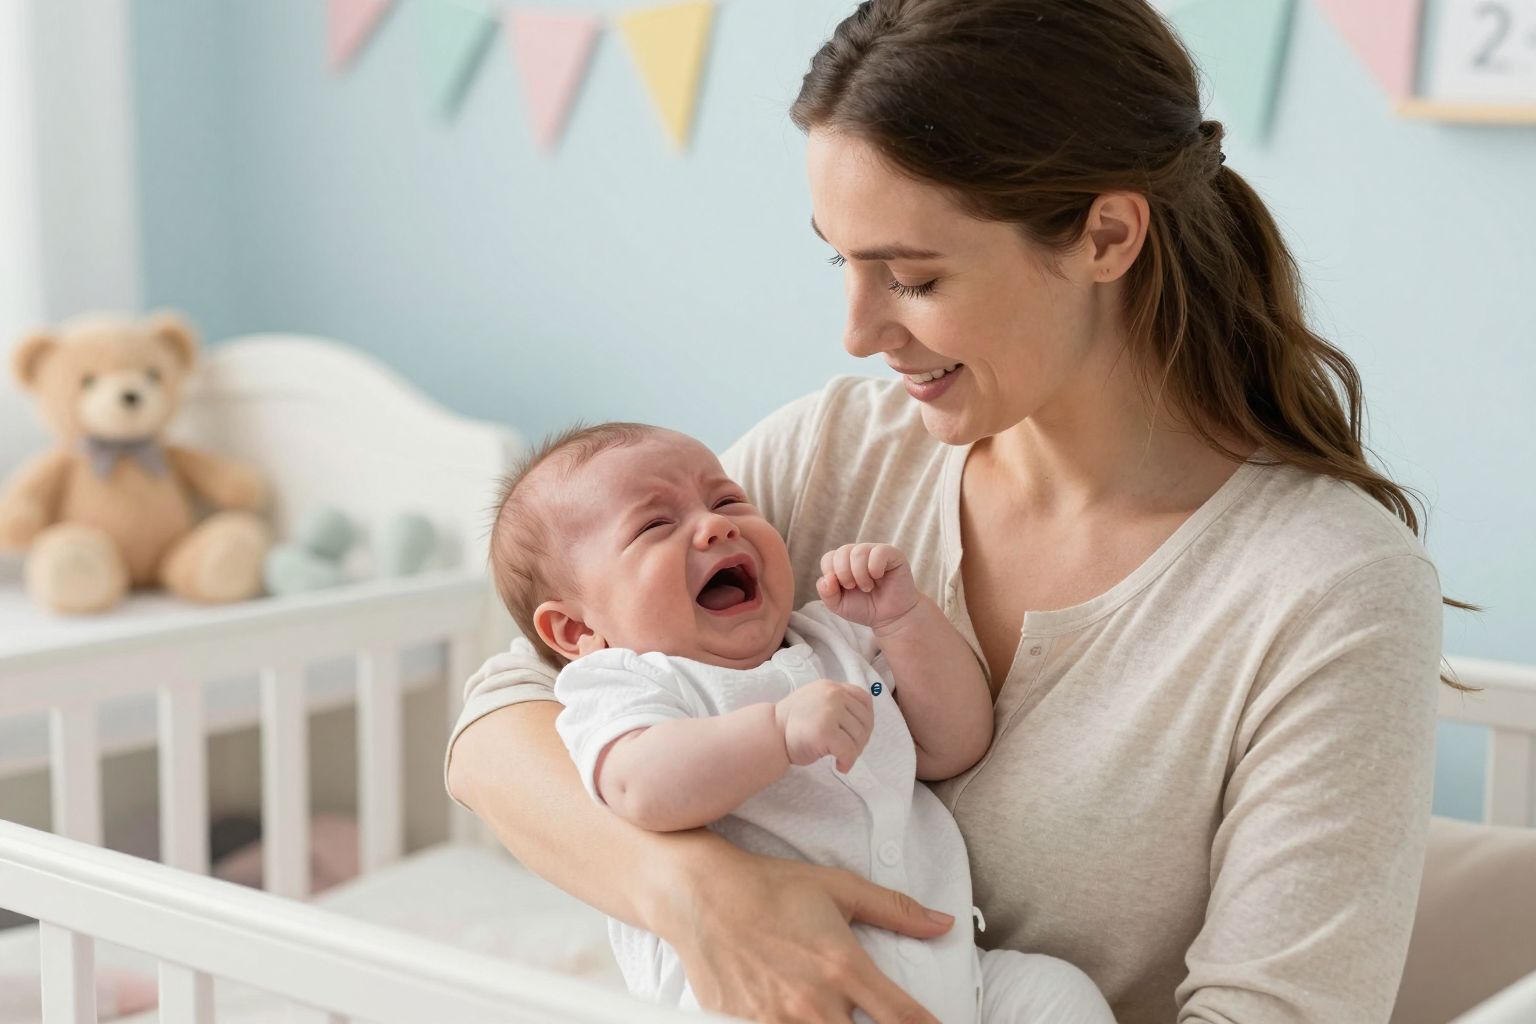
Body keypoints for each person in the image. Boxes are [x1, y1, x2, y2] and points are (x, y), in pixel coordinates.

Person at [445, 1, 1451, 1021]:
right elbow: (504, 717)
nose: (857, 332)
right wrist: (702, 895)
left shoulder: (1330, 589)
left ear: (1107, 235)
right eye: (841, 260)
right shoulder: (832, 452)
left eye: (913, 278)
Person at [485, 421, 1116, 1023]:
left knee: (1055, 996)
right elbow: (640, 788)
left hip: (952, 977)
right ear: (576, 629)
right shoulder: (627, 684)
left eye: (727, 501)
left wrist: (903, 620)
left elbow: (954, 744)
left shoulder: (833, 638)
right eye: (655, 524)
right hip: (765, 994)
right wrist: (776, 732)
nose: (714, 526)